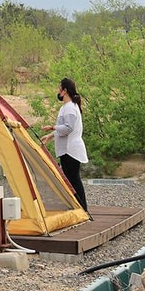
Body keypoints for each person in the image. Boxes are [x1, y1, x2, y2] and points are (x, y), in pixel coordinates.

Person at [40, 77, 89, 212]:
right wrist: (50, 136)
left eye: (59, 88)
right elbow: (63, 129)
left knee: (73, 179)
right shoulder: (66, 107)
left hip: (71, 150)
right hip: (66, 150)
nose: (58, 90)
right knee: (68, 179)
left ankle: (82, 208)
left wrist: (52, 128)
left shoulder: (70, 108)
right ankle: (75, 206)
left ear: (64, 91)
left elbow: (68, 128)